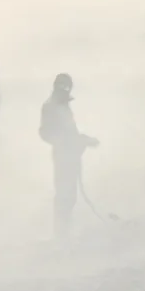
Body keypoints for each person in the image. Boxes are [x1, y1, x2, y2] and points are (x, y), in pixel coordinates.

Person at [39, 73, 100, 238]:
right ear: (56, 86)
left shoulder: (62, 104)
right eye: (63, 87)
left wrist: (83, 140)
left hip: (70, 154)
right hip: (62, 156)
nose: (65, 90)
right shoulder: (50, 106)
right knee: (64, 195)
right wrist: (63, 142)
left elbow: (71, 132)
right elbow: (45, 132)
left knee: (70, 195)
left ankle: (64, 230)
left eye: (67, 87)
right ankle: (60, 233)